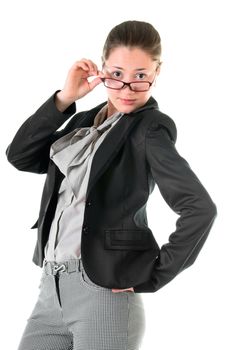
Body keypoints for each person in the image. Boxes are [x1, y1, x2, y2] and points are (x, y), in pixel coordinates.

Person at [6, 20, 217, 350]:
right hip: (51, 288)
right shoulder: (83, 123)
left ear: (156, 73)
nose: (127, 89)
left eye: (140, 76)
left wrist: (154, 274)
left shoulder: (149, 129)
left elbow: (200, 208)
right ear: (102, 70)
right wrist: (64, 99)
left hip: (102, 292)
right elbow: (20, 155)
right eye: (117, 75)